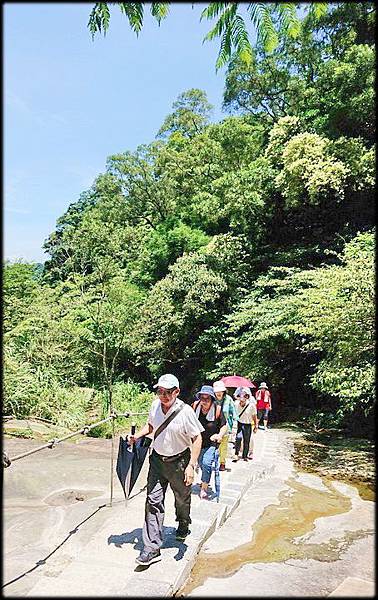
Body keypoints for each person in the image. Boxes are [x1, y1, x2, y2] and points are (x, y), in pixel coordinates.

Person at [128, 374, 204, 566]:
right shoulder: (155, 406)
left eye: (168, 392)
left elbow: (197, 438)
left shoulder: (186, 412)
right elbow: (152, 426)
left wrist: (191, 466)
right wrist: (137, 436)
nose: (163, 395)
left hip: (180, 462)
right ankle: (152, 548)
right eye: (160, 391)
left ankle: (183, 522)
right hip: (157, 461)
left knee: (182, 498)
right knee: (153, 501)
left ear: (176, 392)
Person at [192, 385, 228, 500]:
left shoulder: (217, 410)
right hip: (197, 442)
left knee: (207, 463)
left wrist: (219, 435)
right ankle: (204, 477)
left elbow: (224, 426)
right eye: (202, 398)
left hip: (211, 443)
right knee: (202, 464)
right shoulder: (195, 407)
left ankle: (204, 488)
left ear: (212, 399)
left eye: (207, 398)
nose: (204, 401)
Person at [213, 380, 237, 471]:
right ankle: (213, 461)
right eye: (217, 391)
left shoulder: (228, 399)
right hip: (214, 425)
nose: (218, 393)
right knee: (214, 444)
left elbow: (234, 413)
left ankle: (222, 462)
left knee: (223, 445)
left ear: (224, 391)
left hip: (226, 425)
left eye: (220, 391)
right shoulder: (211, 399)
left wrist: (234, 427)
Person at [233, 387, 258, 462]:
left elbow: (254, 416)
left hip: (248, 424)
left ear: (247, 397)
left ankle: (245, 456)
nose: (242, 398)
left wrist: (256, 425)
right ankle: (236, 454)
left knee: (247, 440)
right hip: (240, 423)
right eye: (240, 396)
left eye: (244, 396)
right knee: (238, 438)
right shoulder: (236, 404)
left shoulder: (251, 405)